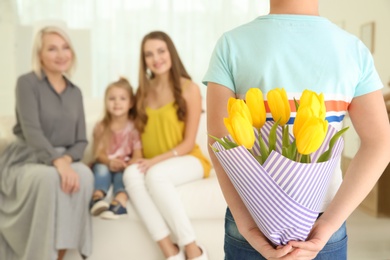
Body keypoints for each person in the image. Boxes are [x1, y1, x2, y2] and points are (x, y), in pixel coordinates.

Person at [203, 0, 390, 259]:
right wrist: (328, 226)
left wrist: (247, 225)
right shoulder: (353, 50)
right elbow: (380, 143)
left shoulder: (231, 44)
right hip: (322, 222)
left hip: (250, 218)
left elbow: (220, 141)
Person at [0, 26, 93, 260]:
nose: (61, 54)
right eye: (52, 49)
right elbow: (32, 133)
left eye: (65, 48)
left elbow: (81, 140)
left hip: (62, 158)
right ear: (39, 54)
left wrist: (66, 160)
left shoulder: (75, 92)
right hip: (27, 157)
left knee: (85, 175)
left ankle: (58, 256)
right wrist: (58, 162)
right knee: (51, 178)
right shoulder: (26, 83)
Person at [123, 31, 211, 260]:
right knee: (131, 173)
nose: (156, 58)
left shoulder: (189, 88)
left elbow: (188, 143)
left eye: (161, 51)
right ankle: (170, 251)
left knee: (155, 176)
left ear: (170, 53)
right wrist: (138, 157)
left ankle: (193, 249)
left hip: (188, 159)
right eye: (149, 54)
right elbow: (138, 133)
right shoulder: (142, 91)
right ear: (144, 61)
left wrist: (153, 162)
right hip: (153, 163)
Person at [89, 77, 142, 220]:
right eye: (112, 98)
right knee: (101, 169)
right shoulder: (101, 127)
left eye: (122, 98)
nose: (117, 102)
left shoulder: (134, 128)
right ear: (105, 102)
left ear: (131, 103)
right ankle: (97, 198)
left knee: (124, 176)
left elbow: (138, 155)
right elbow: (98, 154)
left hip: (123, 166)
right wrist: (109, 162)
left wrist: (127, 164)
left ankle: (119, 201)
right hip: (105, 163)